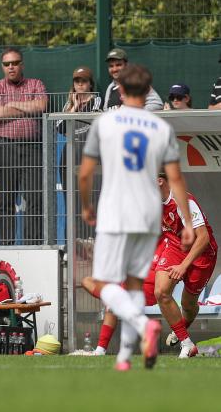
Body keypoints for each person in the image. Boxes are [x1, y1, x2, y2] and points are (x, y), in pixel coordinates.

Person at [78, 63, 194, 372]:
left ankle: (144, 328)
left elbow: (86, 172)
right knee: (131, 284)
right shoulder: (161, 128)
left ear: (120, 90)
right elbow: (176, 179)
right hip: (148, 214)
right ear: (148, 91)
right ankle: (125, 356)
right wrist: (187, 223)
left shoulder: (106, 122)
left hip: (117, 210)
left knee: (99, 281)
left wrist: (86, 205)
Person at [85, 173, 217, 359]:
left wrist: (183, 266)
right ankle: (187, 344)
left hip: (202, 253)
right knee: (161, 292)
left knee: (189, 303)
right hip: (175, 246)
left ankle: (181, 328)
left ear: (159, 180)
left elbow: (203, 238)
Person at [0, 48, 47, 245]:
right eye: (6, 64)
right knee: (6, 200)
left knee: (35, 199)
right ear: (2, 67)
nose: (11, 67)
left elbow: (42, 106)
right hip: (3, 146)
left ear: (22, 64)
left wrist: (12, 104)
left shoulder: (36, 83)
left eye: (15, 62)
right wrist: (26, 105)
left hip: (32, 147)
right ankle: (7, 247)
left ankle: (33, 246)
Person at [55, 67, 102, 186]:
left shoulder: (97, 100)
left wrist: (71, 131)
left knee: (91, 192)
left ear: (90, 84)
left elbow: (92, 124)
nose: (80, 84)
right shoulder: (69, 104)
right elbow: (59, 128)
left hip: (89, 150)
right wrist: (74, 107)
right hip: (70, 151)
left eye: (84, 81)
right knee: (69, 189)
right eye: (77, 81)